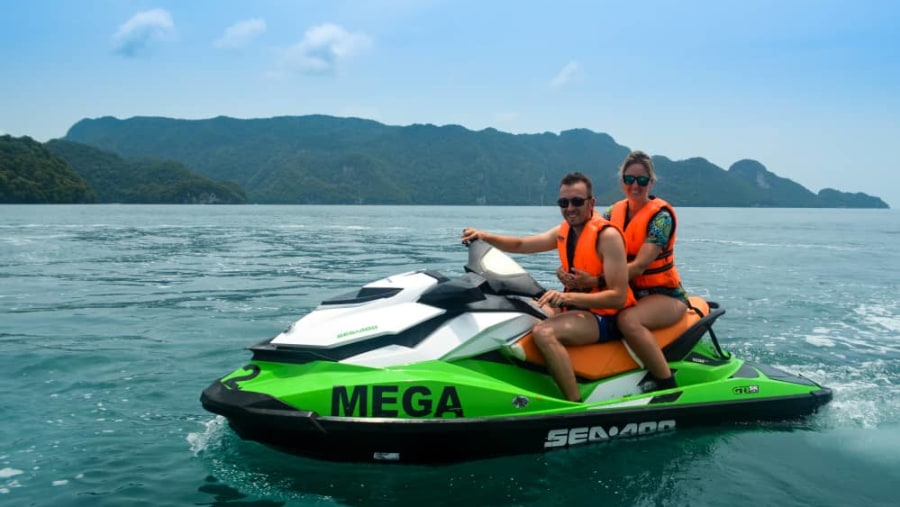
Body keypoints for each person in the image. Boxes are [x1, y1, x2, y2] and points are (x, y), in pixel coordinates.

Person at [461, 172, 634, 402]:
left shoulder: (607, 236)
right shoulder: (565, 231)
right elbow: (523, 244)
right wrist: (484, 236)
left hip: (604, 318)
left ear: (591, 202)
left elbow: (618, 298)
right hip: (575, 308)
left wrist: (568, 298)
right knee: (522, 311)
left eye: (577, 201)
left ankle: (574, 404)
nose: (570, 208)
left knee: (544, 332)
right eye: (563, 202)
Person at [557, 151, 686, 391]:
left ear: (651, 182)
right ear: (622, 182)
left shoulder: (661, 218)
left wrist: (595, 280)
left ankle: (667, 384)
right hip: (630, 293)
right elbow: (588, 241)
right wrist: (567, 273)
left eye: (642, 180)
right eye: (629, 179)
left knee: (628, 321)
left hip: (665, 295)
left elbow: (638, 266)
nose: (634, 186)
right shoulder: (612, 213)